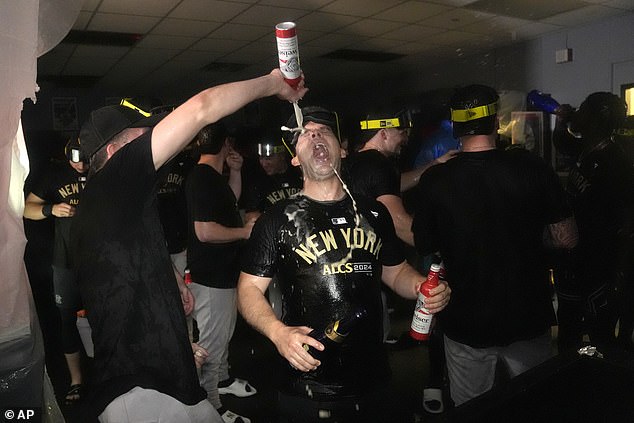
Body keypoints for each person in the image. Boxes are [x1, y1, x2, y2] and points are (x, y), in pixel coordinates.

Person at [70, 69, 306, 422]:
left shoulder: (106, 203)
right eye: (141, 135)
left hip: (157, 376)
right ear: (115, 149)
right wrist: (274, 84)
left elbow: (128, 258)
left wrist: (174, 285)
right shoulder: (116, 179)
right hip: (140, 389)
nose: (153, 139)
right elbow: (201, 109)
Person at [236, 106, 451, 422]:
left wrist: (420, 286)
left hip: (373, 378)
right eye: (304, 134)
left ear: (343, 148)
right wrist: (278, 333)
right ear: (294, 158)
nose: (315, 135)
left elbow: (395, 271)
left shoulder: (374, 214)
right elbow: (248, 290)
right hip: (307, 384)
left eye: (323, 130)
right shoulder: (277, 219)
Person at [411, 84, 578, 407]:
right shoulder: (533, 167)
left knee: (473, 409)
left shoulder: (436, 181)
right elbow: (566, 237)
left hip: (466, 322)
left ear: (457, 126)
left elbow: (425, 244)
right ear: (496, 121)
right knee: (534, 405)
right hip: (528, 317)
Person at [185, 121, 257, 423]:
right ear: (225, 143)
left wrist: (236, 172)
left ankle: (223, 383)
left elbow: (230, 200)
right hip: (211, 277)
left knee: (222, 337)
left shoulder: (213, 177)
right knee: (212, 345)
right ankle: (211, 407)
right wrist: (244, 233)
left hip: (221, 275)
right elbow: (204, 232)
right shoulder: (201, 178)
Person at [553, 92, 634, 350]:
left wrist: (618, 277)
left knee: (600, 339)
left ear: (597, 119)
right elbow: (563, 142)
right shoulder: (588, 149)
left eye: (585, 109)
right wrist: (560, 121)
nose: (579, 112)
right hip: (574, 262)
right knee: (568, 332)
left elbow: (627, 221)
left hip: (598, 268)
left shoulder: (615, 162)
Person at [24, 137, 88, 405]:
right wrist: (52, 209)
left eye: (85, 159)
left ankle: (112, 372)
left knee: (108, 313)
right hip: (64, 260)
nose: (82, 165)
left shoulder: (100, 169)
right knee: (66, 320)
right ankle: (76, 380)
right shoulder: (54, 173)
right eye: (77, 159)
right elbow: (27, 208)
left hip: (99, 258)